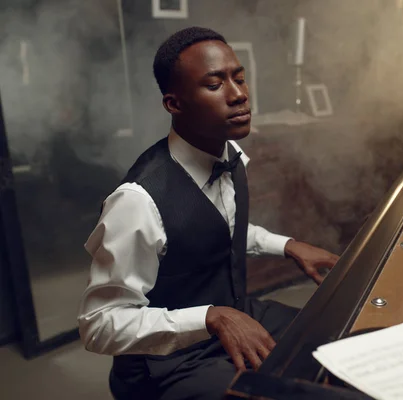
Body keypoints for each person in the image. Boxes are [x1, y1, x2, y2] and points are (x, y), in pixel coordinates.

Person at [77, 26, 339, 400]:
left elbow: (218, 228)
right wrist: (210, 317)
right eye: (215, 85)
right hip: (168, 363)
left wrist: (288, 245)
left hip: (233, 312)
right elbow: (98, 324)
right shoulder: (136, 202)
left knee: (332, 335)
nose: (239, 95)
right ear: (174, 104)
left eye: (240, 78)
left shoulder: (228, 155)